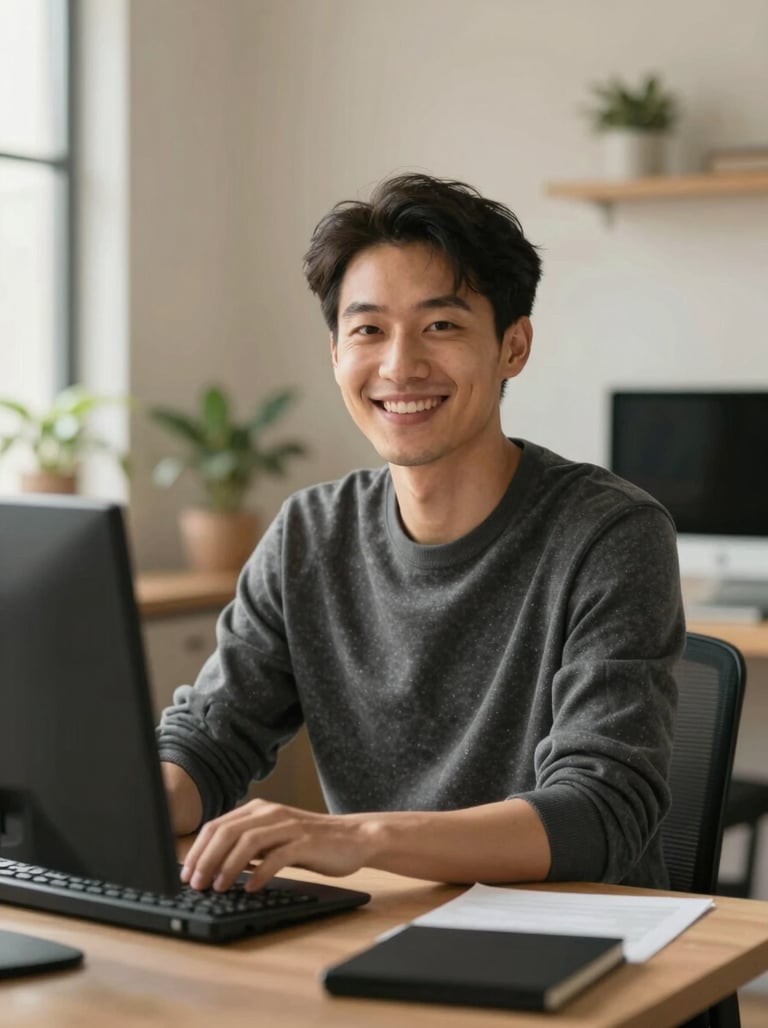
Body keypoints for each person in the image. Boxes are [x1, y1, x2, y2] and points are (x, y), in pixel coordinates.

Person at [157, 173, 685, 896]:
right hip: (380, 930)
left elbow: (600, 812)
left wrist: (356, 837)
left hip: (573, 948)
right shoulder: (310, 534)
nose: (400, 365)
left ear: (514, 347)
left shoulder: (609, 533)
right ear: (336, 355)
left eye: (441, 325)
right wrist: (119, 806)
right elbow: (209, 742)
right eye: (368, 329)